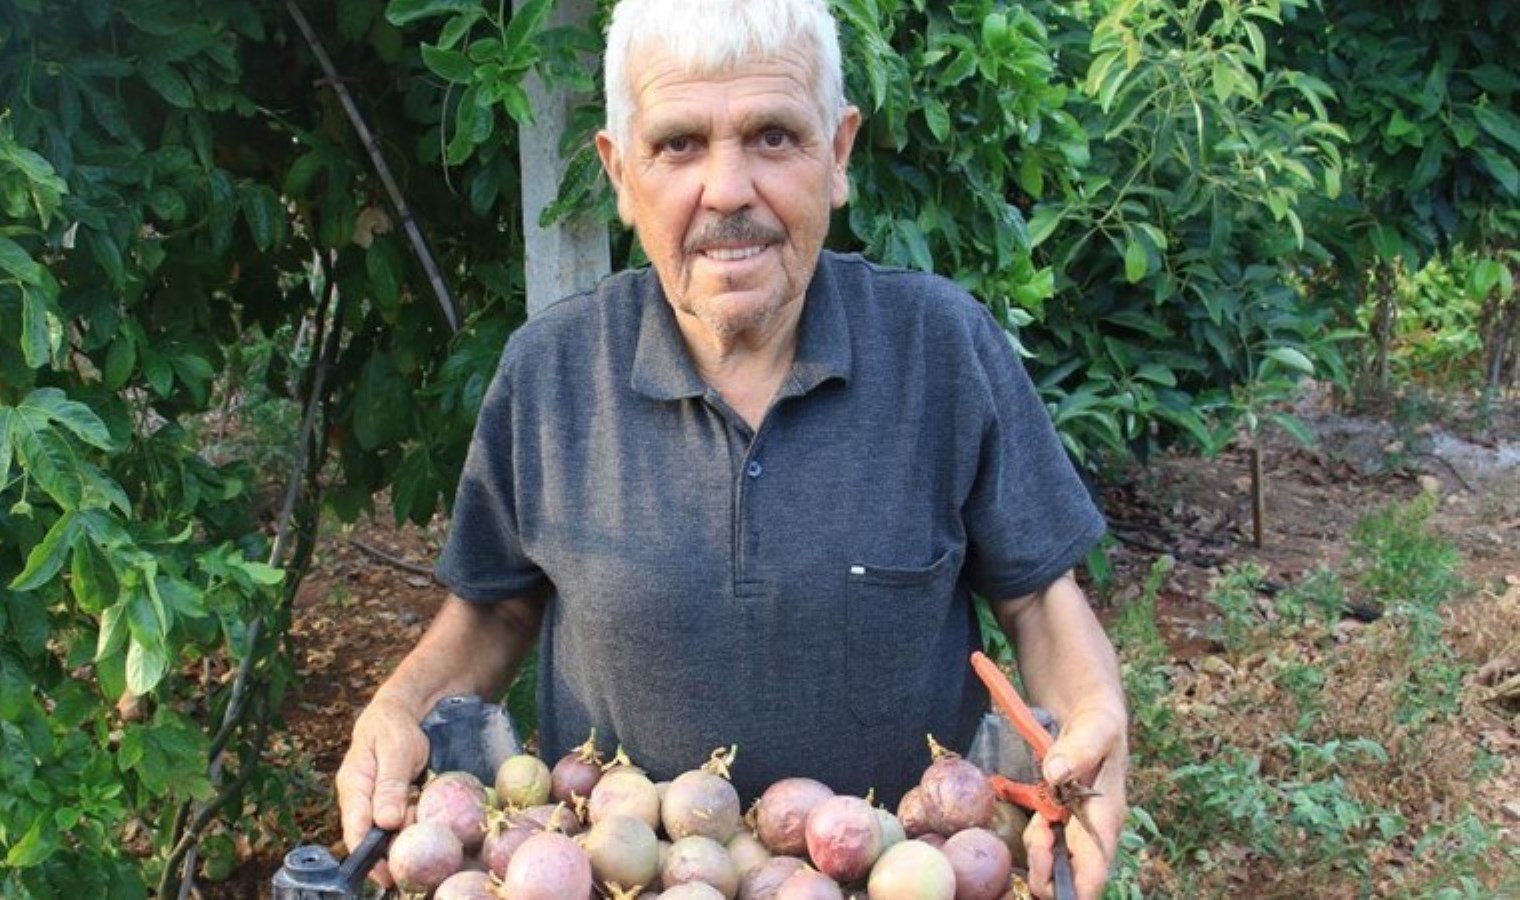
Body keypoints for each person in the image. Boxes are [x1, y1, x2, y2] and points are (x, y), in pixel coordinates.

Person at [335, 0, 1128, 896]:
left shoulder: (941, 349)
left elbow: (1039, 601)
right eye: (678, 145)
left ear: (838, 154)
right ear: (620, 173)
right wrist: (399, 708)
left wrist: (1094, 714)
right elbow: (496, 612)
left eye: (773, 137)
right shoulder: (552, 373)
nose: (727, 190)